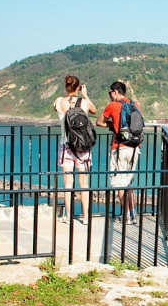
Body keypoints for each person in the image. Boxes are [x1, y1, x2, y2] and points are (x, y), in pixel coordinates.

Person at [96, 80, 141, 224]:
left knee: (120, 183)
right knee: (129, 183)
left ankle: (126, 215)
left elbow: (99, 122)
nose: (109, 96)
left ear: (115, 91)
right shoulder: (135, 105)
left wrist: (112, 124)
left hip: (120, 148)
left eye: (110, 93)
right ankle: (133, 214)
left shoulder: (112, 105)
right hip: (135, 148)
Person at [53, 75, 97, 224]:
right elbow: (94, 110)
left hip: (66, 146)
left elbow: (56, 109)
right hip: (83, 148)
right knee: (84, 183)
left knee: (67, 183)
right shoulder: (84, 102)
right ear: (78, 87)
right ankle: (85, 217)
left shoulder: (59, 102)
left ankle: (68, 216)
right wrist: (85, 95)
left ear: (66, 86)